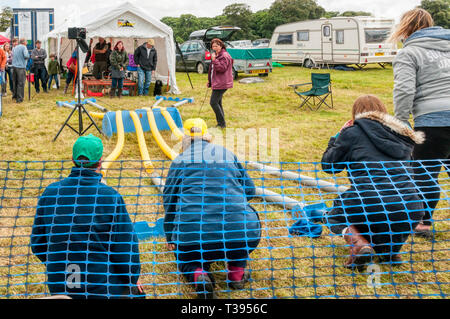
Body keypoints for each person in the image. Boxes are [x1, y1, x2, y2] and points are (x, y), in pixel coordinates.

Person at [30, 134, 144, 299]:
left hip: (59, 287)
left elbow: (37, 244)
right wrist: (132, 278)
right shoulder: (110, 197)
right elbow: (126, 249)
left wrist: (59, 262)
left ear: (72, 159)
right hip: (100, 288)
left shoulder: (50, 193)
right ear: (100, 163)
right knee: (139, 294)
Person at [321, 95, 425, 270]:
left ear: (356, 114)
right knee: (389, 216)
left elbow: (329, 165)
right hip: (411, 207)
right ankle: (390, 251)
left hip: (367, 201)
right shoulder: (403, 134)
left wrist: (338, 135)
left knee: (334, 214)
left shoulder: (352, 132)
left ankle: (359, 244)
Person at [163, 118, 261, 299]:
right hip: (240, 233)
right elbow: (250, 190)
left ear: (185, 139)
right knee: (242, 233)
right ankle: (236, 274)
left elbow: (169, 202)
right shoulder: (226, 153)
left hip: (194, 238)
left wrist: (171, 236)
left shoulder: (179, 161)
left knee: (185, 256)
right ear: (207, 137)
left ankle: (199, 274)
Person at [391, 8, 450, 239]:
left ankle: (422, 223)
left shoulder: (409, 53)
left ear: (406, 27)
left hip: (432, 122)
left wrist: (402, 124)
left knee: (424, 174)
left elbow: (404, 90)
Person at [207, 38, 233, 129]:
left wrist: (214, 60)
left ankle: (222, 123)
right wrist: (210, 82)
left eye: (216, 46)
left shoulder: (224, 55)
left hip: (222, 83)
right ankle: (221, 123)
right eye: (213, 46)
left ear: (221, 46)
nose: (214, 48)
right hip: (217, 82)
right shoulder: (217, 55)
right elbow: (213, 70)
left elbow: (221, 68)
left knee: (213, 102)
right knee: (218, 102)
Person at [11, 38, 29, 103]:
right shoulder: (24, 47)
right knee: (21, 83)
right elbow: (26, 55)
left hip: (14, 67)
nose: (27, 43)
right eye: (26, 41)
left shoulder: (15, 47)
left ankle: (14, 96)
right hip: (21, 67)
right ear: (24, 42)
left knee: (15, 82)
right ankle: (19, 99)